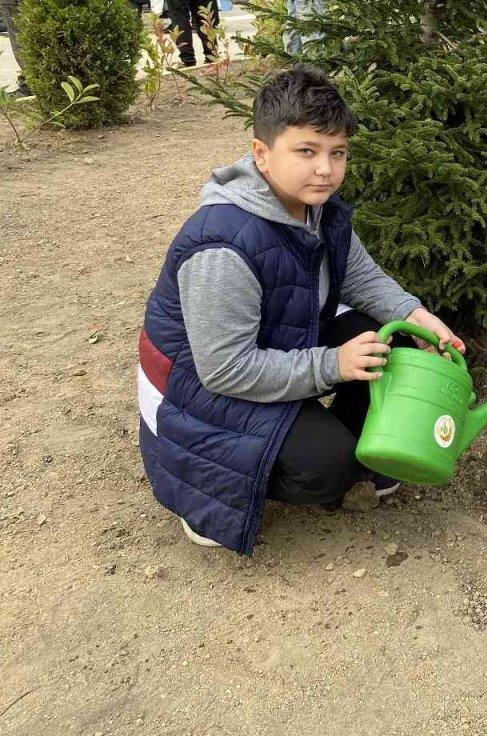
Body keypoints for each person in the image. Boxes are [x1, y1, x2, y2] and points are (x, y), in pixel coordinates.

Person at [137, 65, 465, 554]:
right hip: (197, 387)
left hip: (275, 345)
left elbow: (361, 277)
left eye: (338, 153)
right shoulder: (223, 246)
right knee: (326, 467)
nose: (325, 169)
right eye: (306, 151)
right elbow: (225, 369)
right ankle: (210, 497)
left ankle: (365, 448)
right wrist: (332, 365)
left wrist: (417, 316)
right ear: (262, 155)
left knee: (389, 340)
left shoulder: (319, 207)